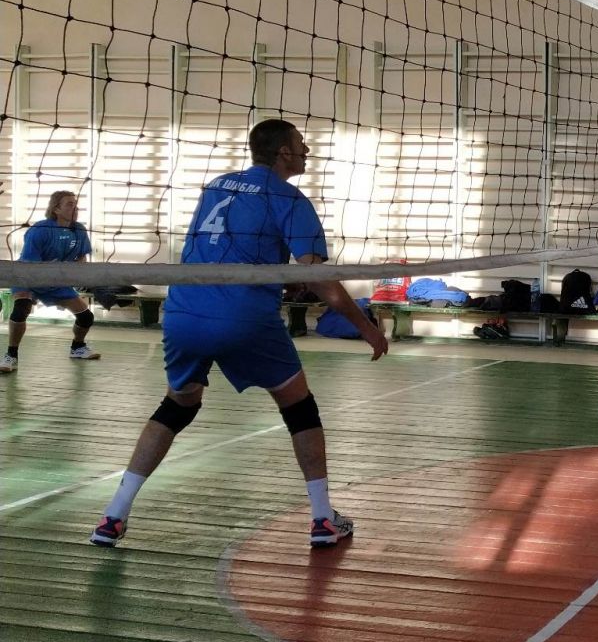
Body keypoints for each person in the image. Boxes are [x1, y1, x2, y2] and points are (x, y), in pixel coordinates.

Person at [89, 120, 387, 549]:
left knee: (177, 406)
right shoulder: (289, 197)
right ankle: (323, 518)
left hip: (184, 311)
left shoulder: (216, 186)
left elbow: (225, 248)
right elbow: (321, 280)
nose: (307, 152)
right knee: (299, 407)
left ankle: (113, 515)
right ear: (284, 153)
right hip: (243, 316)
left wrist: (277, 277)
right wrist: (367, 328)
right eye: (301, 145)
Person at [2, 190, 100, 374]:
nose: (75, 208)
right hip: (29, 277)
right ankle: (11, 356)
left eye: (75, 204)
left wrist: (78, 275)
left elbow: (82, 258)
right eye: (69, 204)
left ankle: (78, 348)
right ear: (56, 209)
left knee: (86, 317)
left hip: (57, 281)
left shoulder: (79, 230)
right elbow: (32, 265)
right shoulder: (40, 230)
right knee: (21, 309)